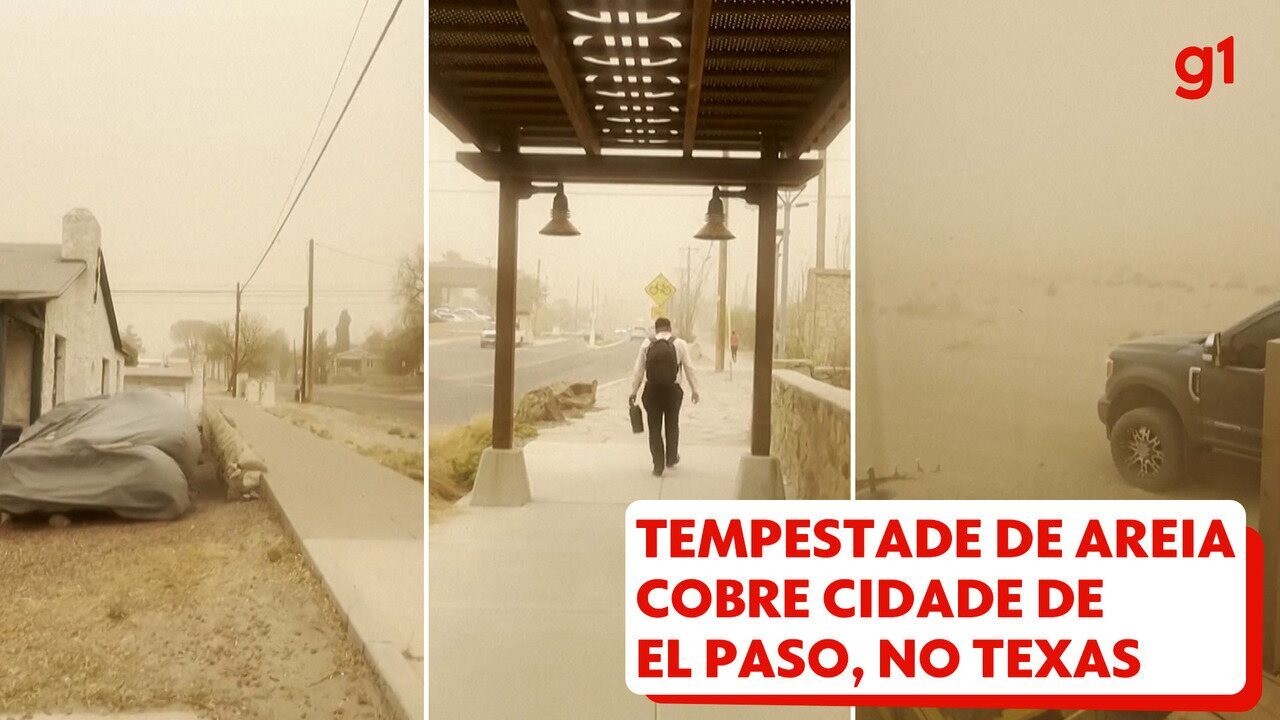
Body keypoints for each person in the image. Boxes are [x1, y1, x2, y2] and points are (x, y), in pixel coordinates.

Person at [629, 317, 700, 476]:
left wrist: (634, 391)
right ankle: (671, 458)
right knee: (672, 424)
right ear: (670, 328)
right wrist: (695, 390)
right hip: (672, 391)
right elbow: (689, 368)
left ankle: (658, 465)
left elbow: (638, 370)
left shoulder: (647, 344)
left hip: (652, 391)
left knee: (654, 428)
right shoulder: (680, 344)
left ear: (656, 329)